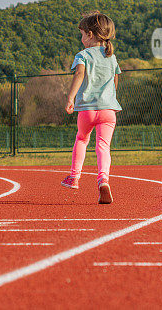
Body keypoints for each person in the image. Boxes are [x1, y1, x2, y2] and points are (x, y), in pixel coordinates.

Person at [60, 11, 122, 204]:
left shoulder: (83, 55)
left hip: (87, 109)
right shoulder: (111, 57)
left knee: (81, 139)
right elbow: (115, 81)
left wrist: (71, 97)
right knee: (103, 146)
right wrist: (110, 99)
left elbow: (79, 75)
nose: (81, 38)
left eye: (81, 34)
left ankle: (74, 177)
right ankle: (103, 179)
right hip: (108, 110)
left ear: (90, 35)